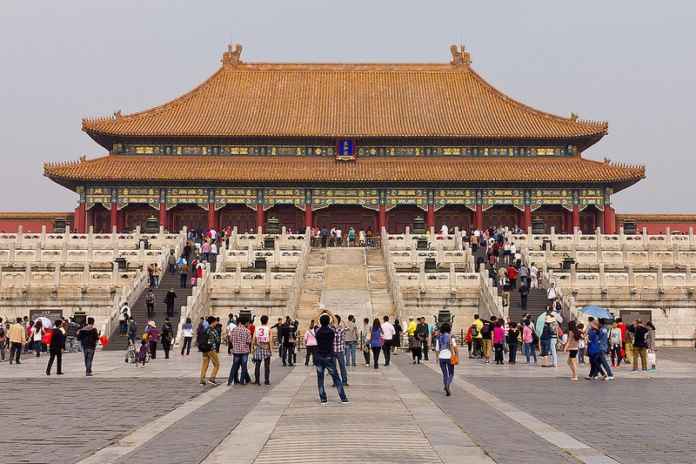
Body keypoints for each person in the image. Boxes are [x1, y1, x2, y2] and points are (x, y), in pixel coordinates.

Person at [314, 314, 349, 405]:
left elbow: (314, 321)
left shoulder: (317, 331)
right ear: (329, 322)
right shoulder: (332, 331)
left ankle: (323, 399)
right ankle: (343, 398)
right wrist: (331, 314)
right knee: (336, 378)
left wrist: (320, 312)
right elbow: (336, 323)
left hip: (319, 357)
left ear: (320, 322)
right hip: (329, 357)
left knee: (320, 379)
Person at [435, 322, 458, 396]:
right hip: (449, 356)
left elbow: (437, 348)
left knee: (445, 374)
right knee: (451, 373)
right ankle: (447, 384)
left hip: (441, 357)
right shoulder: (451, 336)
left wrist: (437, 358)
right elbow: (455, 347)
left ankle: (446, 385)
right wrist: (457, 355)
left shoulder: (439, 337)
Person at [252, 315, 274, 385]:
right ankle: (266, 380)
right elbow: (270, 340)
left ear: (260, 321)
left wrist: (252, 347)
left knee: (257, 365)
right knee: (267, 366)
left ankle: (257, 380)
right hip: (266, 347)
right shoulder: (269, 329)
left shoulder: (257, 328)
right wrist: (271, 349)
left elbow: (253, 339)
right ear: (267, 321)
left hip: (258, 347)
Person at [228, 319, 251, 385]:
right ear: (244, 323)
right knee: (244, 367)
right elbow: (248, 341)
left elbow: (230, 339)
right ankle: (241, 381)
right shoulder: (247, 331)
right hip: (244, 351)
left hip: (236, 351)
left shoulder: (234, 330)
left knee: (234, 366)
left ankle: (230, 381)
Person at [199, 316, 220, 385]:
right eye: (216, 321)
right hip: (211, 349)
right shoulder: (213, 330)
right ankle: (212, 378)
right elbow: (217, 340)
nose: (216, 323)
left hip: (204, 349)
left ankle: (202, 380)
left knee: (205, 365)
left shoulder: (205, 329)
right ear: (213, 322)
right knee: (217, 364)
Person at [332, 315, 348, 386]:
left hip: (334, 350)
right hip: (339, 350)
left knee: (336, 367)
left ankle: (337, 382)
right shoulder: (342, 329)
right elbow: (347, 328)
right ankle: (343, 381)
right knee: (341, 366)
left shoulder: (331, 329)